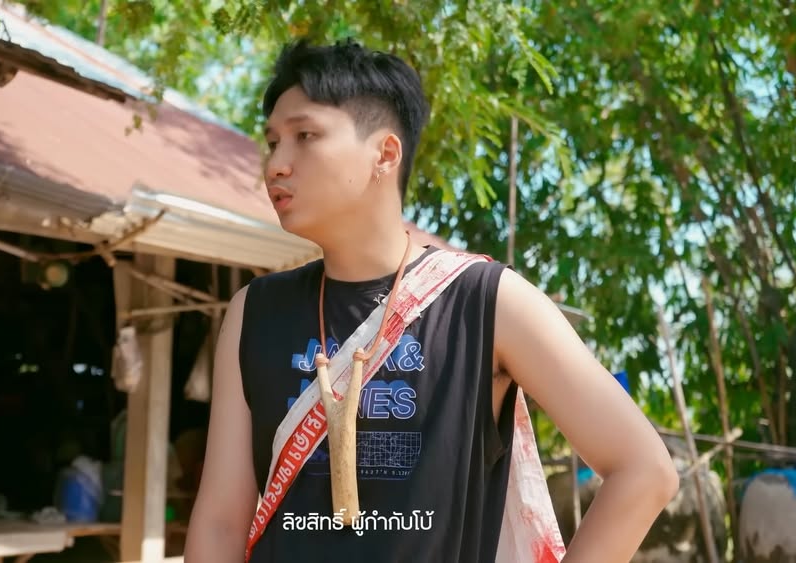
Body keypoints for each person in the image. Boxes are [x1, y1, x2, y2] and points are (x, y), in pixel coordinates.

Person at [185, 38, 679, 563]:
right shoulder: (254, 312)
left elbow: (645, 471)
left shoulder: (488, 302)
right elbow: (220, 521)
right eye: (272, 142)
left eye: (304, 136)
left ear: (385, 154)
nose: (275, 165)